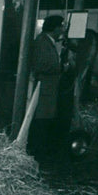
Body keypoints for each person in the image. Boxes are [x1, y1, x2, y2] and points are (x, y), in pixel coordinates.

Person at [27, 14, 66, 162]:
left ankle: (40, 156)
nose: (63, 29)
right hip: (43, 91)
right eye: (61, 26)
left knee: (44, 124)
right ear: (55, 28)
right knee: (40, 125)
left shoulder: (49, 43)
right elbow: (41, 65)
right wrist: (61, 66)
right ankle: (38, 157)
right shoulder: (42, 43)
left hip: (49, 91)